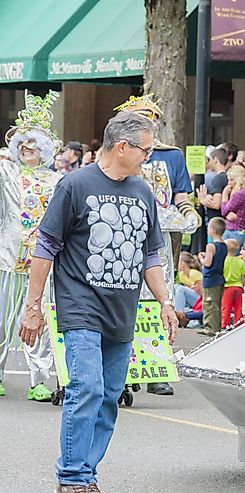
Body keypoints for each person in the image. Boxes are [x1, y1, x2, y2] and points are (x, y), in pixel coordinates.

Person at [19, 110, 177, 492]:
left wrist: (165, 301)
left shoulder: (142, 192)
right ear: (122, 146)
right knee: (86, 387)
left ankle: (87, 473)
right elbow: (46, 246)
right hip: (80, 305)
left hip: (122, 311)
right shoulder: (75, 185)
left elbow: (150, 253)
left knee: (109, 396)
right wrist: (33, 306)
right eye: (145, 150)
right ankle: (71, 476)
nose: (148, 157)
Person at [115, 94, 200, 396]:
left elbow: (180, 193)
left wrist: (189, 211)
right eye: (140, 119)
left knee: (159, 298)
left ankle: (156, 367)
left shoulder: (171, 155)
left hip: (159, 238)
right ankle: (124, 367)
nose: (148, 123)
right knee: (125, 300)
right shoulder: (121, 153)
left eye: (151, 119)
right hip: (123, 235)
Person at [0, 90, 62, 401]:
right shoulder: (5, 174)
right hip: (7, 258)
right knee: (1, 317)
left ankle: (39, 379)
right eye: (22, 145)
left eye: (33, 145)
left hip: (42, 260)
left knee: (39, 317)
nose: (27, 150)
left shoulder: (56, 181)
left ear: (45, 150)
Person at [198, 217, 227, 336]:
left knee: (209, 304)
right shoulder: (224, 245)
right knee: (217, 304)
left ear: (213, 230)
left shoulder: (210, 246)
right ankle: (217, 326)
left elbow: (208, 263)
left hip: (210, 279)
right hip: (219, 277)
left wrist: (201, 258)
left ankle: (210, 327)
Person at [220, 165, 245, 247]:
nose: (229, 183)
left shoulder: (239, 194)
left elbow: (224, 211)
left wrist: (224, 195)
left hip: (235, 232)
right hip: (242, 231)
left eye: (231, 180)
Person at [198, 148, 229, 222]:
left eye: (210, 159)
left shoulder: (218, 179)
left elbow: (216, 204)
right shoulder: (228, 176)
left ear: (215, 160)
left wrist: (202, 200)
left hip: (216, 220)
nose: (209, 162)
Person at [221, 238, 245, 328]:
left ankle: (225, 325)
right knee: (238, 307)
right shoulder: (240, 261)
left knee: (226, 308)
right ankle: (239, 323)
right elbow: (243, 276)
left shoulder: (224, 261)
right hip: (238, 286)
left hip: (227, 287)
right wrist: (242, 286)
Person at [174, 252, 201, 326]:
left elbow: (201, 291)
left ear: (183, 263)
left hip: (200, 300)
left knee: (180, 289)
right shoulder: (181, 275)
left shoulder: (193, 273)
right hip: (192, 300)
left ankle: (179, 314)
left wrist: (190, 288)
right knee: (175, 286)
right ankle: (178, 312)